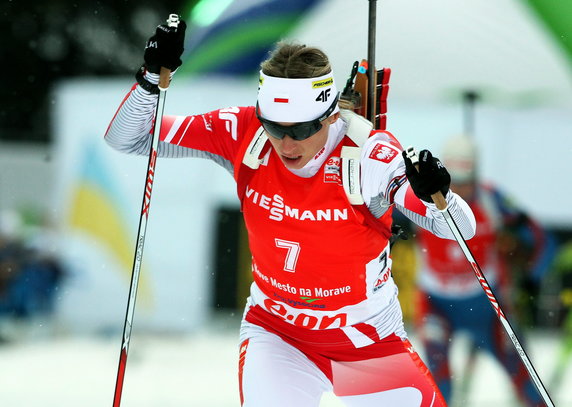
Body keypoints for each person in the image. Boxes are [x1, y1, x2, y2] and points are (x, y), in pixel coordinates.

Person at [105, 18, 476, 407]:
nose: (285, 144)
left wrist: (439, 194)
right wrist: (150, 80)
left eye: (300, 130)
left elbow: (459, 229)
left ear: (331, 115)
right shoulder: (242, 130)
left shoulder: (367, 153)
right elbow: (128, 138)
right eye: (273, 126)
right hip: (280, 337)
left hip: (367, 344)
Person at [413, 134, 553, 406]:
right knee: (438, 383)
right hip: (436, 304)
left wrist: (533, 276)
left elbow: (537, 236)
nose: (458, 193)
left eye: (466, 183)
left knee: (524, 376)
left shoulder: (492, 198)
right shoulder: (420, 197)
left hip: (486, 306)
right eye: (452, 183)